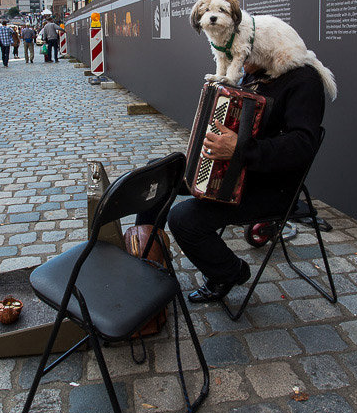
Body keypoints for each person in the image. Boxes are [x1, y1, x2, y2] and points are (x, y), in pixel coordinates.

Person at [140, 60, 327, 303]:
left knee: (184, 219)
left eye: (242, 54)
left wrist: (240, 148)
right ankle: (147, 257)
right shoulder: (254, 73)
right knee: (157, 172)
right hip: (231, 170)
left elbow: (302, 147)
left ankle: (230, 272)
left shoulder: (304, 80)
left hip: (271, 188)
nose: (236, 62)